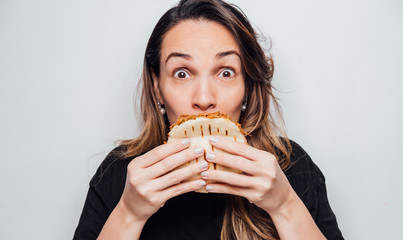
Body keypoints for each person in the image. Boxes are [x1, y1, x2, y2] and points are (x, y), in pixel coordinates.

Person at [73, 0, 343, 239]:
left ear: (247, 86)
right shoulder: (120, 173)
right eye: (182, 73)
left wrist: (284, 205)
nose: (203, 99)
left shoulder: (290, 167)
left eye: (225, 72)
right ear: (157, 88)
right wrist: (129, 213)